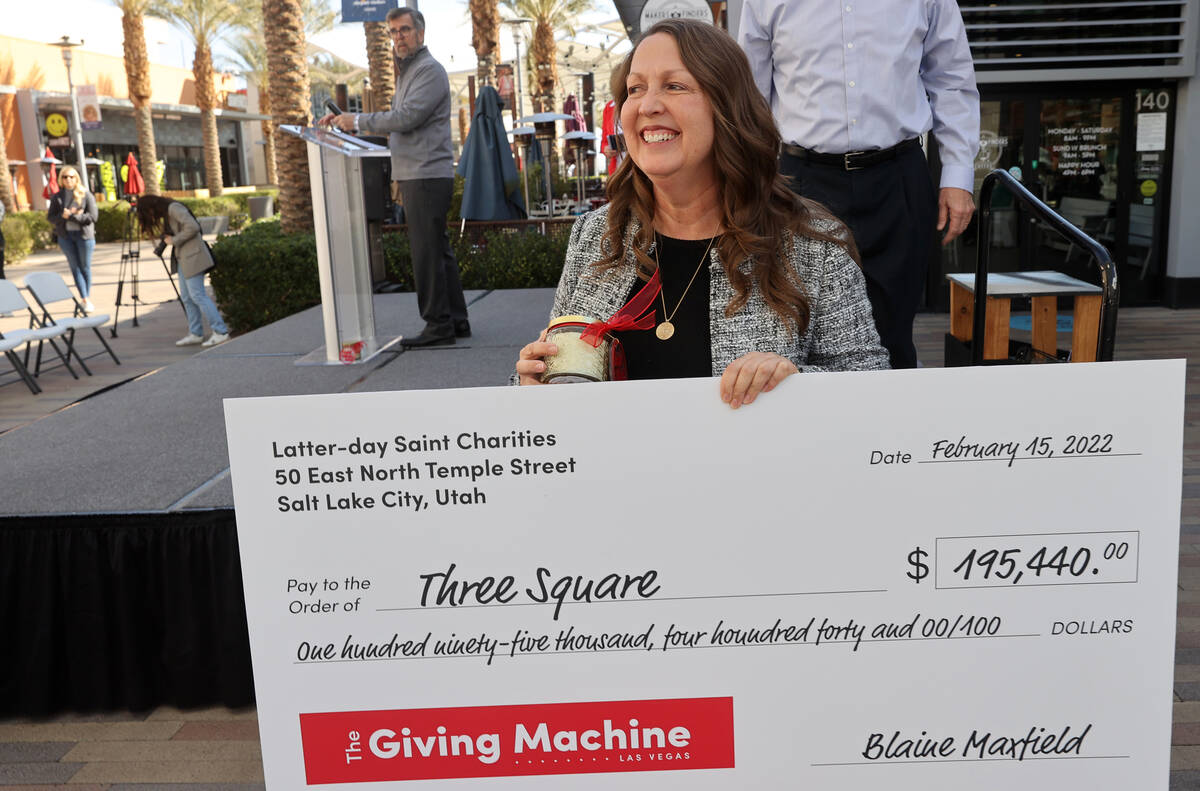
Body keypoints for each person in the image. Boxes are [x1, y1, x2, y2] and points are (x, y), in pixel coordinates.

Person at [515, 20, 889, 407]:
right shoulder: (596, 235)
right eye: (635, 89)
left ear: (727, 106)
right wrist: (528, 385)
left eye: (674, 86)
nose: (648, 105)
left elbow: (871, 383)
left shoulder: (813, 244)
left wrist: (793, 382)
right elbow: (551, 381)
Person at [738, 0, 980, 369]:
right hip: (800, 182)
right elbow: (749, 94)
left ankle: (896, 426)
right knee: (796, 331)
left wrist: (959, 176)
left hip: (897, 177)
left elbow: (952, 77)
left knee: (894, 334)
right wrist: (750, 185)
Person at [316, 7, 468, 348]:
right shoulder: (412, 71)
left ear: (421, 33)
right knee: (438, 250)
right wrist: (352, 124)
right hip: (422, 173)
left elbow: (406, 117)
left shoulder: (428, 70)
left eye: (404, 30)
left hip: (425, 174)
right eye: (393, 32)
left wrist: (356, 121)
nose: (397, 37)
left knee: (426, 253)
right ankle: (456, 320)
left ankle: (437, 326)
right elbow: (402, 120)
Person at [134, 195, 230, 347]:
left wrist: (174, 240)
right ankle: (196, 333)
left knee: (198, 295)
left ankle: (220, 331)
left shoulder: (174, 208)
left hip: (193, 257)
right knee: (186, 297)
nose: (151, 217)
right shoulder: (168, 212)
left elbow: (193, 226)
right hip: (184, 258)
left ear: (152, 207)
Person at [46, 165, 99, 312]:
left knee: (85, 267)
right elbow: (50, 217)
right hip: (66, 237)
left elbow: (93, 217)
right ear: (61, 179)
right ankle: (85, 299)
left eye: (71, 176)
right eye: (65, 177)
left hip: (84, 237)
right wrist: (62, 217)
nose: (68, 179)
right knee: (75, 268)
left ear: (77, 178)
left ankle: (86, 297)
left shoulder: (86, 195)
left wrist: (73, 216)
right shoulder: (57, 197)